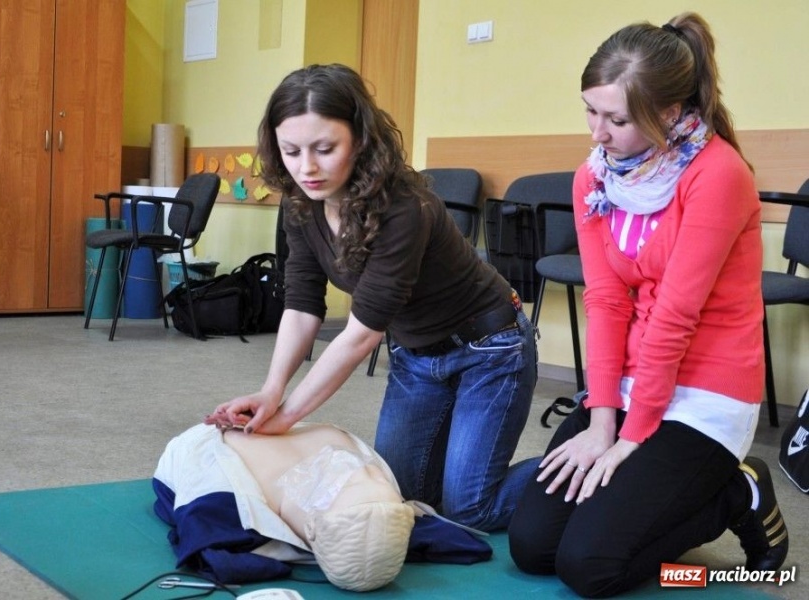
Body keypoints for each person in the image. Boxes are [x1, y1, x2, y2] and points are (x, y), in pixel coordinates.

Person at [507, 13, 788, 597]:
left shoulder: (718, 174)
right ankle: (660, 481)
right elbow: (607, 300)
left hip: (706, 394)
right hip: (633, 384)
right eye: (590, 110)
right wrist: (603, 416)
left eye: (616, 119)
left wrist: (633, 439)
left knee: (588, 568)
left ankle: (735, 494)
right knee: (534, 547)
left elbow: (675, 316)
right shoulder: (594, 179)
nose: (596, 133)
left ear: (667, 113)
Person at [207, 64, 538, 532]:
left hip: (489, 349)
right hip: (415, 356)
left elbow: (361, 336)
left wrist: (289, 416)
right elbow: (302, 302)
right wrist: (271, 390)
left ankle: (590, 457)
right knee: (400, 499)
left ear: (360, 139)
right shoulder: (300, 202)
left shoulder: (405, 208)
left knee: (471, 511)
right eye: (292, 151)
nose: (307, 167)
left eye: (325, 149)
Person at [152, 421, 492, 592]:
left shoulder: (226, 499)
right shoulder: (376, 507)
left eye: (355, 484)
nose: (369, 471)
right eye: (377, 482)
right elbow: (465, 544)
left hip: (206, 440)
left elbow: (205, 544)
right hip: (288, 419)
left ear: (313, 527)